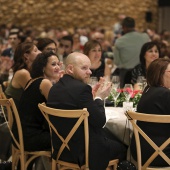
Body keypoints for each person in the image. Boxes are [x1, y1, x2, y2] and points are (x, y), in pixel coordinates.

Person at [47, 52, 127, 170]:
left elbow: (78, 105)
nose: (89, 72)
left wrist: (91, 98)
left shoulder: (54, 88)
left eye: (89, 68)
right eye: (84, 68)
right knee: (125, 147)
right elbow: (100, 122)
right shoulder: (82, 89)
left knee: (110, 136)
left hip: (62, 149)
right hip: (86, 152)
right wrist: (100, 98)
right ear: (70, 69)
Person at [12, 51, 61, 170]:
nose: (58, 67)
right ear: (43, 67)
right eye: (53, 64)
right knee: (68, 139)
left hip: (19, 135)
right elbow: (59, 109)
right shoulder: (45, 83)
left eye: (58, 64)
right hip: (31, 138)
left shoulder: (33, 81)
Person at [130, 58, 170, 167]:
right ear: (160, 74)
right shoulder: (165, 94)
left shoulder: (148, 91)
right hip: (161, 152)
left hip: (140, 152)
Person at [113, 16, 150, 88]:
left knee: (125, 96)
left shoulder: (120, 41)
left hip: (126, 75)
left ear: (123, 27)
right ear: (134, 26)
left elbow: (117, 62)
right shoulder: (145, 37)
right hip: (143, 74)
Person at [5, 42, 41, 107]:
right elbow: (36, 94)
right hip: (15, 115)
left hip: (23, 110)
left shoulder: (30, 70)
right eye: (36, 50)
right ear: (26, 56)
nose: (40, 52)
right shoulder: (23, 73)